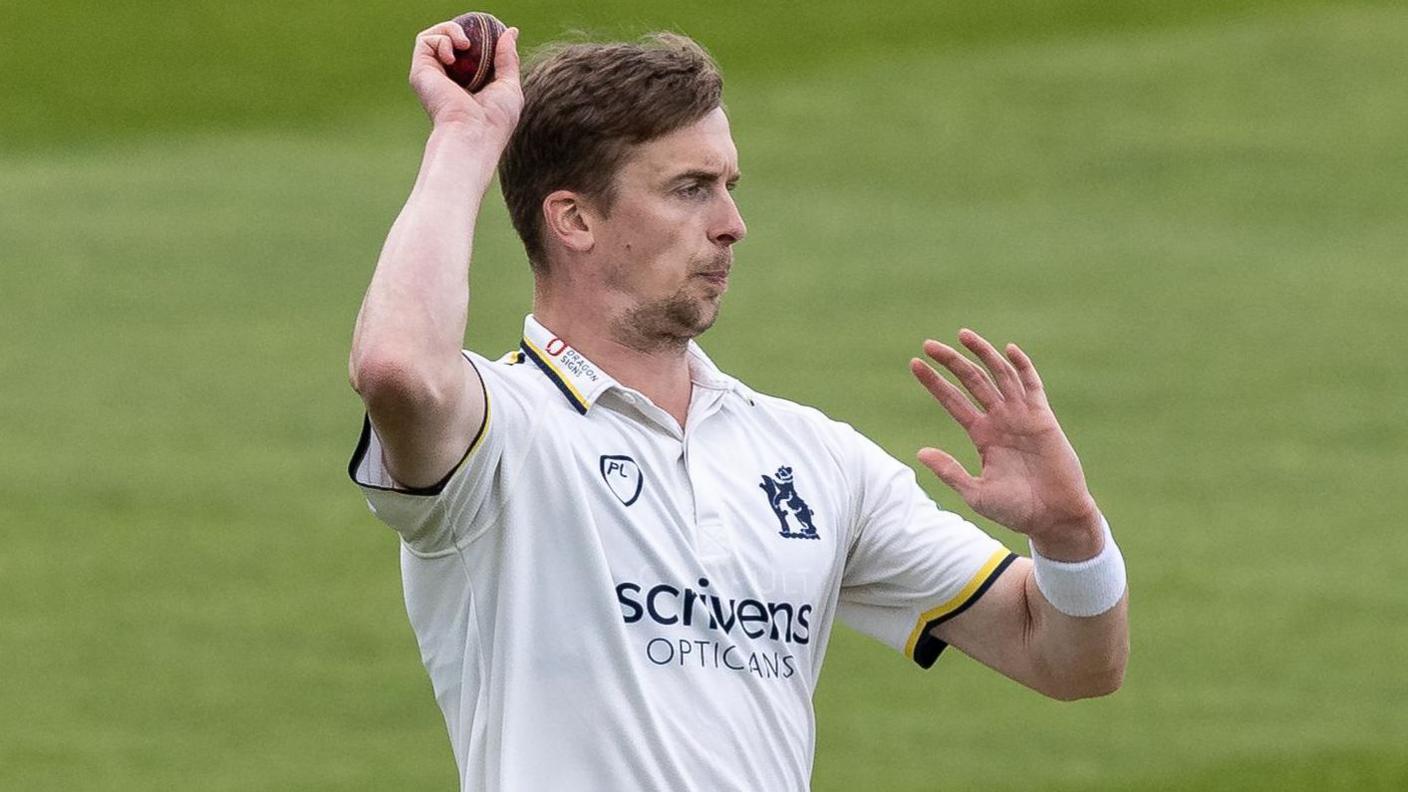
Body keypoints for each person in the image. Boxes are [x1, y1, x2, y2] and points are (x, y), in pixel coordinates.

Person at [348, 16, 1128, 792]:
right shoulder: (499, 436)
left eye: (728, 187)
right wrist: (466, 134)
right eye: (691, 190)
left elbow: (1067, 659)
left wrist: (1069, 536)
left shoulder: (814, 458)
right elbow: (396, 367)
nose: (732, 226)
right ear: (574, 219)